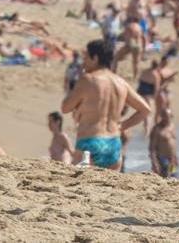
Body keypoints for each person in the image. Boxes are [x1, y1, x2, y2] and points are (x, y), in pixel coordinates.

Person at [60, 39, 151, 170]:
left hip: (90, 142)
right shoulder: (121, 82)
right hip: (113, 143)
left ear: (95, 58)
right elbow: (145, 110)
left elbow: (65, 107)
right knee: (108, 188)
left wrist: (73, 88)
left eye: (86, 57)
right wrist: (122, 126)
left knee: (80, 187)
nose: (83, 61)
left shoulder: (88, 80)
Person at [148, 107, 178, 178]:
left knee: (174, 176)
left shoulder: (172, 126)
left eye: (169, 117)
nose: (167, 119)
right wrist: (154, 163)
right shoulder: (157, 129)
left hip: (172, 159)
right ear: (161, 117)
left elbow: (174, 144)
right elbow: (152, 148)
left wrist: (175, 157)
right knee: (165, 176)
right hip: (162, 159)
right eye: (165, 116)